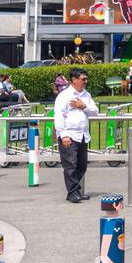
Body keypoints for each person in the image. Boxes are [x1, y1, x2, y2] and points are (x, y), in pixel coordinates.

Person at [54, 68, 99, 203]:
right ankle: (73, 192)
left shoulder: (86, 95)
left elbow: (95, 112)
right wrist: (64, 135)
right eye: (83, 79)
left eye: (86, 79)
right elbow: (59, 116)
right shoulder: (64, 96)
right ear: (74, 79)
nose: (86, 81)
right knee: (70, 165)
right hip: (70, 134)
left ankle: (74, 191)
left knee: (82, 165)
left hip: (83, 135)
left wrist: (83, 106)